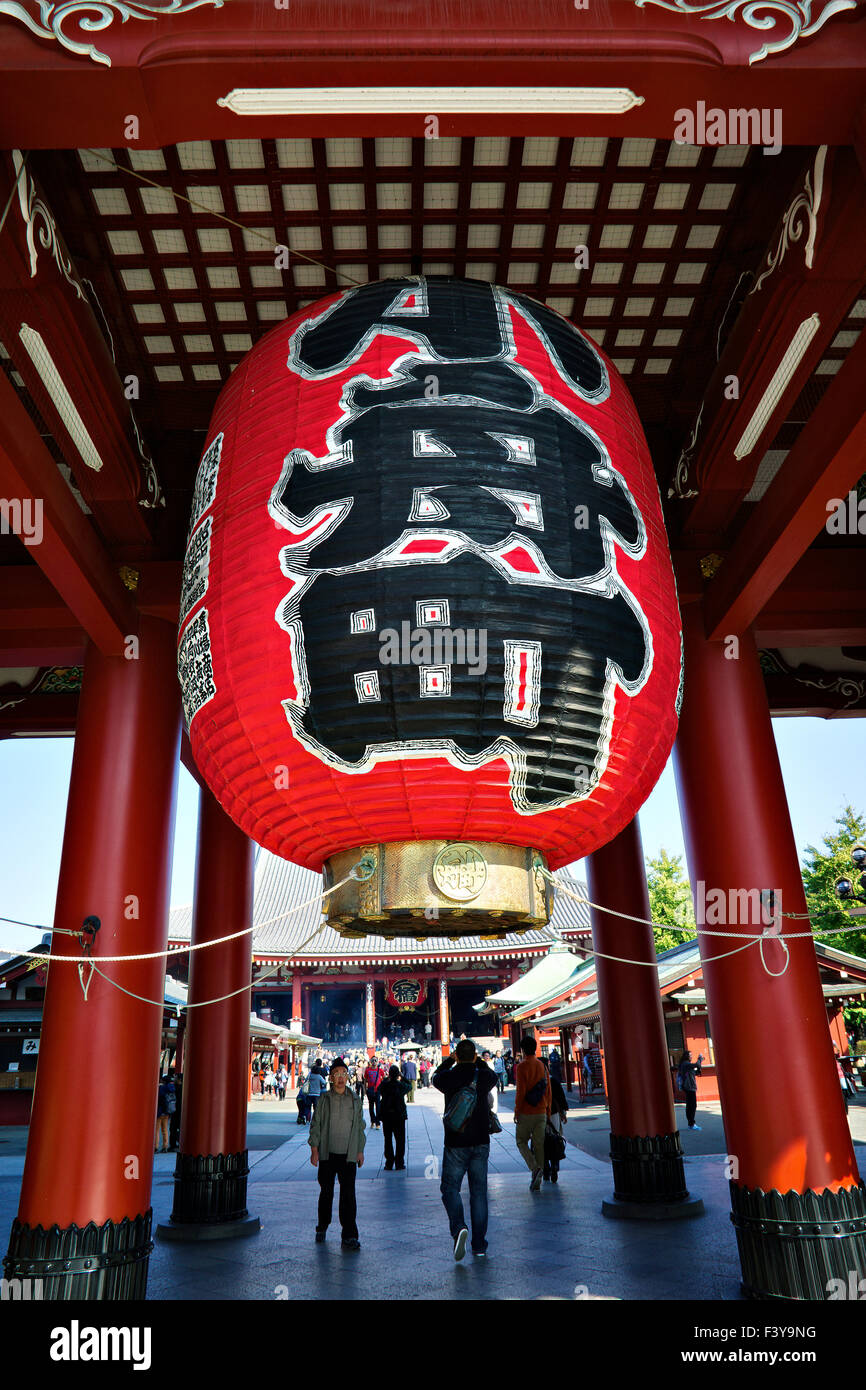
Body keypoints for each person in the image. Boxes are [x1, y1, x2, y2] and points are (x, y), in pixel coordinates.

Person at [433, 1039, 496, 1259]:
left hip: (455, 1141)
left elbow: (435, 1078)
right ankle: (479, 1245)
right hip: (480, 1140)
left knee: (450, 1188)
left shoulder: (449, 1076)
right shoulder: (484, 1076)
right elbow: (493, 1075)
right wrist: (478, 1061)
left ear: (457, 1055)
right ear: (475, 1056)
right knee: (479, 1193)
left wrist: (448, 1062)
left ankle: (459, 1226)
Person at [309, 1057, 366, 1249]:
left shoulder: (355, 1099)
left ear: (347, 1077)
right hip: (327, 1153)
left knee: (348, 1194)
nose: (340, 1078)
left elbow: (359, 1126)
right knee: (326, 1192)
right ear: (331, 1078)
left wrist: (360, 1150)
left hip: (348, 1155)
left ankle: (349, 1234)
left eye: (343, 1073)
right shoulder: (324, 1099)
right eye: (336, 1074)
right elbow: (316, 1124)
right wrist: (314, 1149)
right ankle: (322, 1226)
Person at [514, 1035, 551, 1191]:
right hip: (541, 1110)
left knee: (521, 1141)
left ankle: (534, 1168)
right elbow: (548, 1090)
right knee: (539, 1144)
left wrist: (517, 1110)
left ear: (522, 1050)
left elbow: (521, 1091)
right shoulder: (543, 1066)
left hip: (526, 1111)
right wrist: (548, 1109)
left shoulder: (522, 1067)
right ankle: (539, 1176)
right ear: (535, 1048)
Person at [377, 1064, 412, 1169]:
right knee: (400, 1140)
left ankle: (389, 1162)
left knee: (387, 1140)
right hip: (399, 1116)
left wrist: (387, 1078)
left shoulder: (385, 1085)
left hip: (387, 1116)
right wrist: (402, 1076)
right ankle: (399, 1162)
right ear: (398, 1074)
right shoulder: (401, 1086)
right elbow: (409, 1086)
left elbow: (379, 1088)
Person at [543, 1075, 568, 1183]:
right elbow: (561, 1098)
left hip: (538, 1114)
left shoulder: (533, 1080)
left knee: (541, 1141)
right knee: (555, 1138)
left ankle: (545, 1167)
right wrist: (563, 1113)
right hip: (554, 1113)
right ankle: (555, 1164)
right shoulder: (553, 1080)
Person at [676, 1050, 703, 1130]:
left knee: (690, 1105)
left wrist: (698, 1070)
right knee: (692, 1105)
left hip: (688, 1086)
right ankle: (691, 1123)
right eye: (690, 1055)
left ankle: (690, 1123)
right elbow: (697, 1064)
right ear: (686, 1056)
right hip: (689, 1087)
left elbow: (694, 1072)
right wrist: (700, 1058)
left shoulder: (685, 1065)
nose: (691, 1056)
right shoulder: (686, 1064)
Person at [155, 1072, 175, 1153]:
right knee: (165, 1129)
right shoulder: (172, 1088)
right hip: (167, 1111)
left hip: (160, 1111)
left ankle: (155, 1146)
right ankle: (165, 1146)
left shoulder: (161, 1088)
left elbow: (159, 1098)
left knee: (157, 1129)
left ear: (164, 1081)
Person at [364, 1056, 387, 1128]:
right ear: (370, 1062)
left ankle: (378, 1122)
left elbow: (384, 1078)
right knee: (371, 1107)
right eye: (373, 1060)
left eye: (375, 1060)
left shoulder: (380, 1070)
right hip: (370, 1090)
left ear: (377, 1062)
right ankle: (372, 1121)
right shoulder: (367, 1070)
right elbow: (365, 1080)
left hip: (378, 1091)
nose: (374, 1062)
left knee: (378, 1107)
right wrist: (365, 1089)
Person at [169, 1071, 183, 1149]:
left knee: (173, 1128)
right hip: (181, 1111)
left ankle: (173, 1144)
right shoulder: (184, 1088)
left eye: (175, 1078)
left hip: (176, 1111)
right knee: (179, 1128)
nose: (174, 1079)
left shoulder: (175, 1088)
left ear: (179, 1079)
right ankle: (178, 1143)